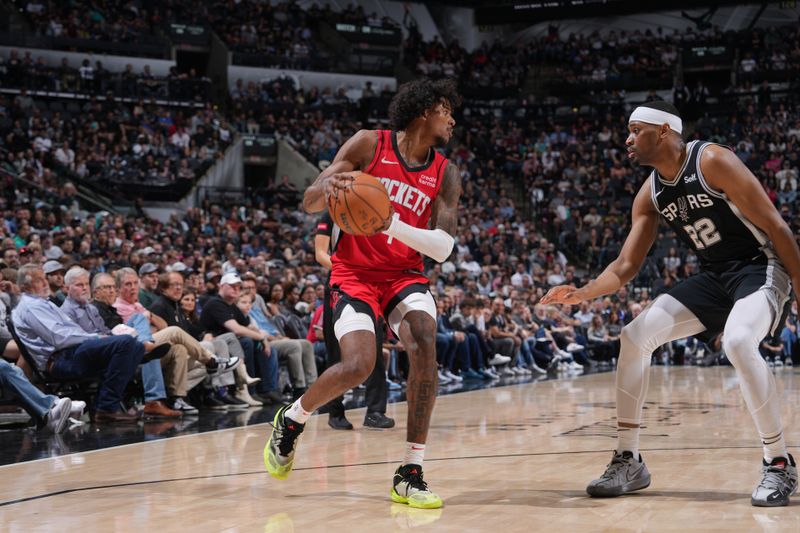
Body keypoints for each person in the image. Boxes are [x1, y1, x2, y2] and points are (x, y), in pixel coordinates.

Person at [542, 100, 800, 507]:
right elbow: (626, 266)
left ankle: (779, 463)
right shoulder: (651, 192)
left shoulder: (712, 160)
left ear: (663, 130)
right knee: (634, 335)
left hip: (759, 267)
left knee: (736, 341)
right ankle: (629, 459)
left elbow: (777, 225)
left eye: (634, 130)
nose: (627, 139)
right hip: (714, 277)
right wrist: (582, 292)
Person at [264, 78, 462, 509]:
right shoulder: (369, 144)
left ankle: (411, 472)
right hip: (353, 273)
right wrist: (330, 187)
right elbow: (310, 201)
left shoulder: (446, 172)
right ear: (425, 110)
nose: (452, 119)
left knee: (425, 340)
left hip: (404, 275)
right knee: (358, 365)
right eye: (447, 110)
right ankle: (293, 418)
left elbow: (444, 248)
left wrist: (391, 224)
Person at [11, 264, 149, 423]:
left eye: (44, 279)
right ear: (25, 286)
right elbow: (60, 338)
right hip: (60, 360)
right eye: (39, 280)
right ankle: (106, 407)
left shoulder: (43, 302)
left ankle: (105, 403)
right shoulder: (30, 307)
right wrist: (96, 338)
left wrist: (99, 337)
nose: (45, 283)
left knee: (136, 346)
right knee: (125, 343)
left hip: (72, 352)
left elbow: (70, 333)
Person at [313, 213, 395, 430]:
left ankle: (376, 411)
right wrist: (347, 270)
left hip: (369, 286)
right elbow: (320, 253)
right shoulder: (332, 214)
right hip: (340, 284)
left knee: (374, 349)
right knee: (336, 351)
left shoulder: (373, 211)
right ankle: (335, 411)